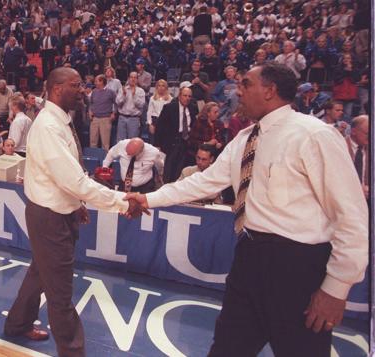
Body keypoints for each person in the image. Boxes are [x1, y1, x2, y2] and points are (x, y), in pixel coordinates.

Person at [125, 62, 368, 357]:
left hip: (298, 267)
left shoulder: (315, 135)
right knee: (227, 349)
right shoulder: (244, 139)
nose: (237, 91)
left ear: (270, 91)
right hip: (248, 257)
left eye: (245, 84)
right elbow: (204, 182)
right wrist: (148, 199)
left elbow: (352, 216)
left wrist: (337, 287)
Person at [3, 67, 146, 357]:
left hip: (56, 212)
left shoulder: (60, 120)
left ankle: (16, 325)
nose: (82, 90)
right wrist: (122, 201)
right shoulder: (48, 127)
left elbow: (66, 172)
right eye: (76, 85)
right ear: (57, 89)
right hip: (49, 218)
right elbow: (76, 180)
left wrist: (76, 204)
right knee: (61, 296)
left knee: (41, 275)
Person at [155, 86, 198, 183]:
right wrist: (157, 144)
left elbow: (193, 124)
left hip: (187, 142)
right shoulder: (169, 107)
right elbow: (160, 126)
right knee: (170, 167)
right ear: (179, 96)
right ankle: (166, 187)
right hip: (173, 141)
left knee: (183, 168)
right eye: (185, 95)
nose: (187, 98)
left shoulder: (193, 108)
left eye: (189, 96)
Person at [88, 74, 116, 151]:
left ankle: (105, 161)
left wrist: (113, 113)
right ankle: (93, 160)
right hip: (95, 119)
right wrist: (90, 111)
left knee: (105, 143)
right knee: (93, 142)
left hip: (106, 119)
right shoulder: (94, 92)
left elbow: (116, 103)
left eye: (96, 81)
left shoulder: (110, 92)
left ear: (102, 82)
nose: (95, 83)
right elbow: (91, 103)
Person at [115, 71, 145, 142]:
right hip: (122, 118)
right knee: (120, 141)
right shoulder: (122, 90)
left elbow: (141, 105)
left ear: (137, 80)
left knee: (132, 142)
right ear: (128, 78)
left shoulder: (140, 91)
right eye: (131, 77)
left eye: (135, 77)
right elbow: (118, 103)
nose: (133, 79)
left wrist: (134, 95)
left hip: (134, 119)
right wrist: (124, 95)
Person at [345, 115, 368, 200]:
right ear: (354, 131)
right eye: (367, 133)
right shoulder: (340, 146)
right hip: (346, 198)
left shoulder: (371, 148)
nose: (371, 137)